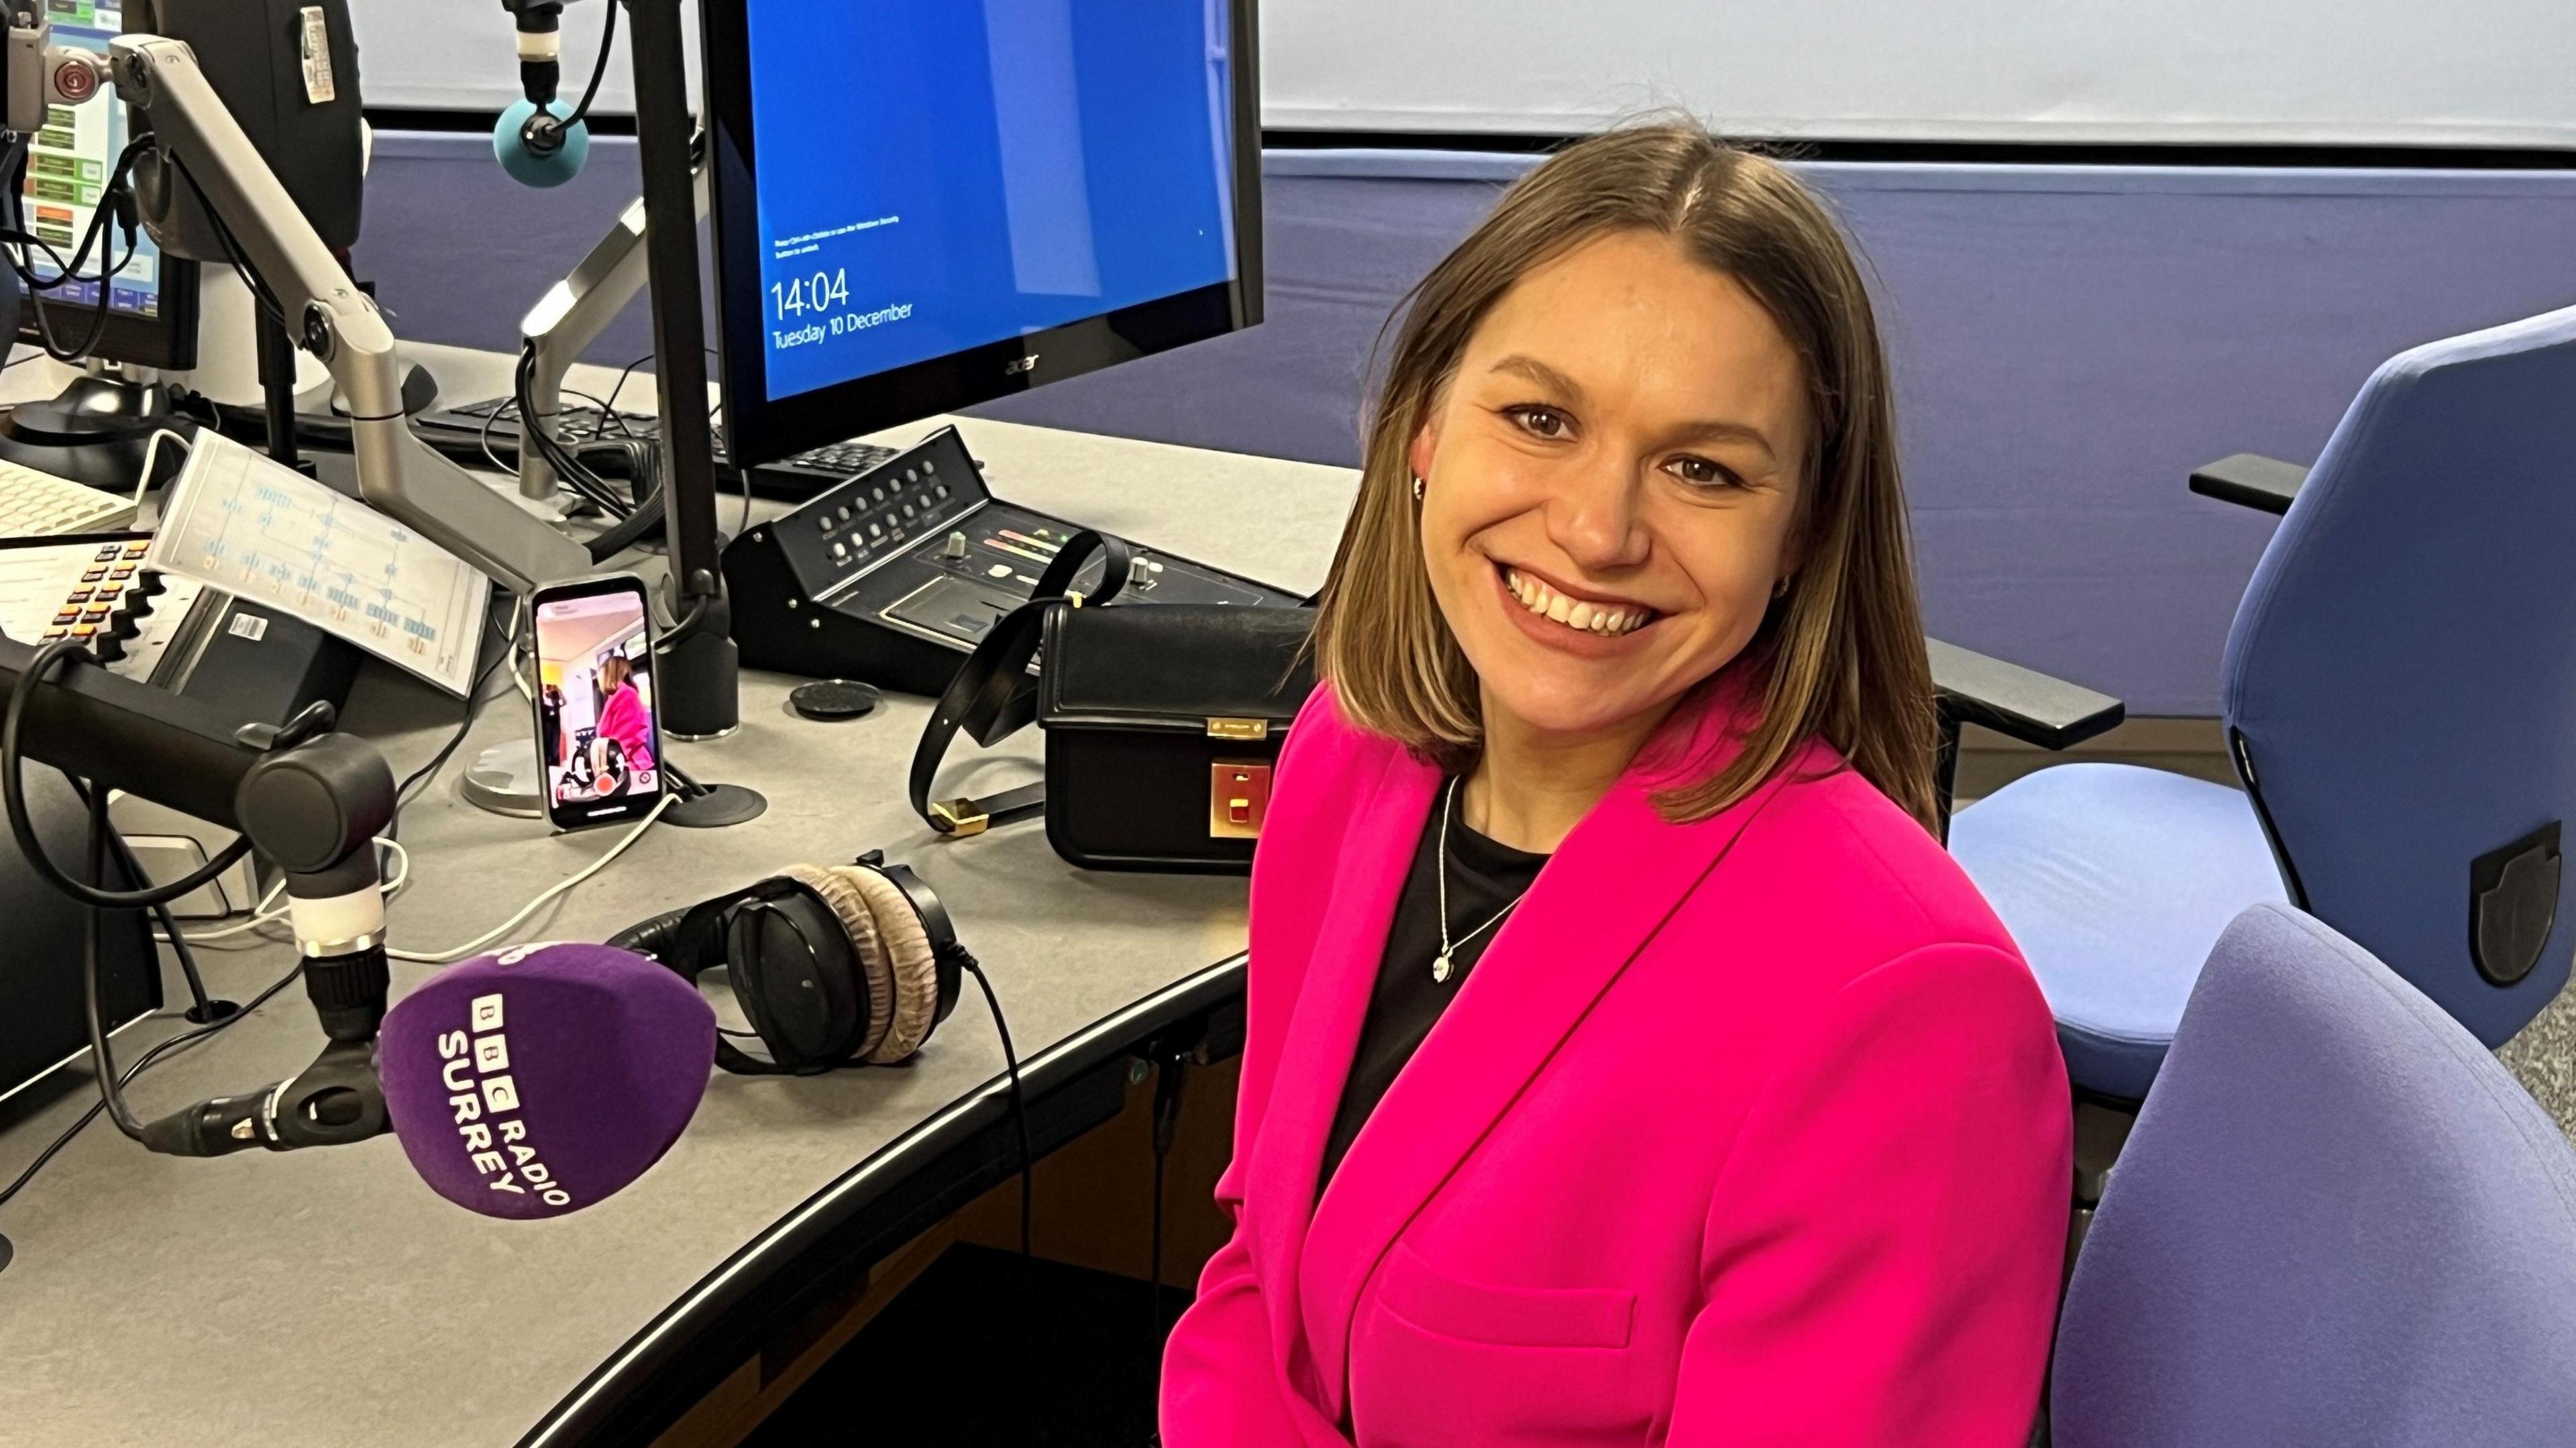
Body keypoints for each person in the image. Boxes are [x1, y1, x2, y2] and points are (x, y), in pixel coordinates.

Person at [1159, 123, 2072, 1447]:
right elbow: (1261, 1283)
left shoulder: (1909, 1012)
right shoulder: (1348, 759)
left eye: (1704, 467)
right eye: (1540, 417)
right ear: (1422, 426)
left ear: (1801, 528)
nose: (1598, 530)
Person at [590, 653, 654, 797]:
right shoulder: (618, 696)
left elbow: (625, 738)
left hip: (631, 767)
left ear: (610, 672)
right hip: (622, 765)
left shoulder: (625, 694)